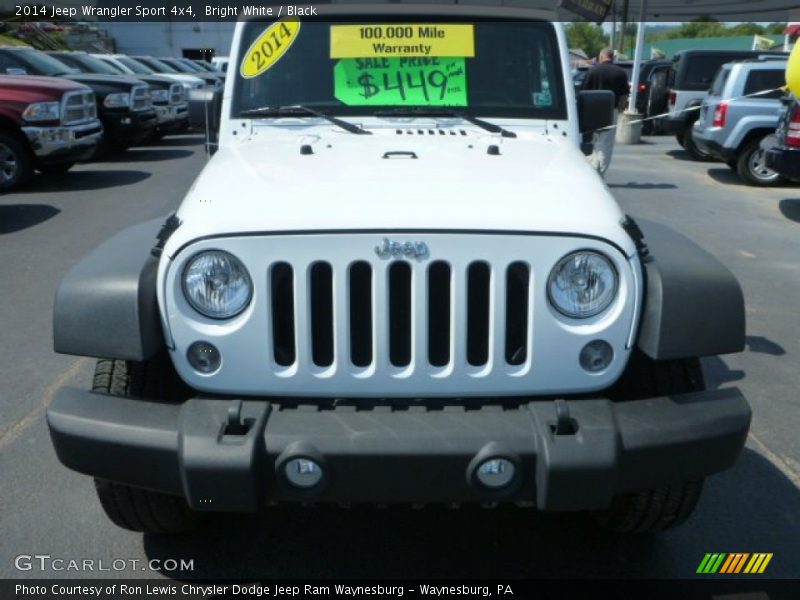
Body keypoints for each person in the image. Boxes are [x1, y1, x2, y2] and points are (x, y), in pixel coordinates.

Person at [581, 48, 629, 176]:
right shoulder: (620, 73)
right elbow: (624, 96)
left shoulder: (592, 71)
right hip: (610, 111)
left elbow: (583, 93)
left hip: (592, 111)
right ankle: (600, 172)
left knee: (594, 141)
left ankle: (591, 170)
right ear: (612, 57)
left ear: (601, 57)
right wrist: (620, 108)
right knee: (605, 143)